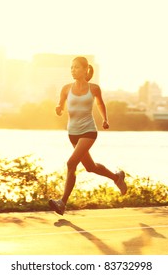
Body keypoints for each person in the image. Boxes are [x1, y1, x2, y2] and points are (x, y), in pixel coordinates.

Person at [49, 56, 127, 215]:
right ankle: (116, 177)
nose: (73, 70)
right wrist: (58, 109)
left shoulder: (94, 88)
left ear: (86, 70)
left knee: (71, 163)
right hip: (72, 133)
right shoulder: (65, 88)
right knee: (90, 167)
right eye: (71, 67)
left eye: (77, 67)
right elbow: (60, 104)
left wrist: (105, 119)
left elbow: (100, 103)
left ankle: (62, 203)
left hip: (88, 131)